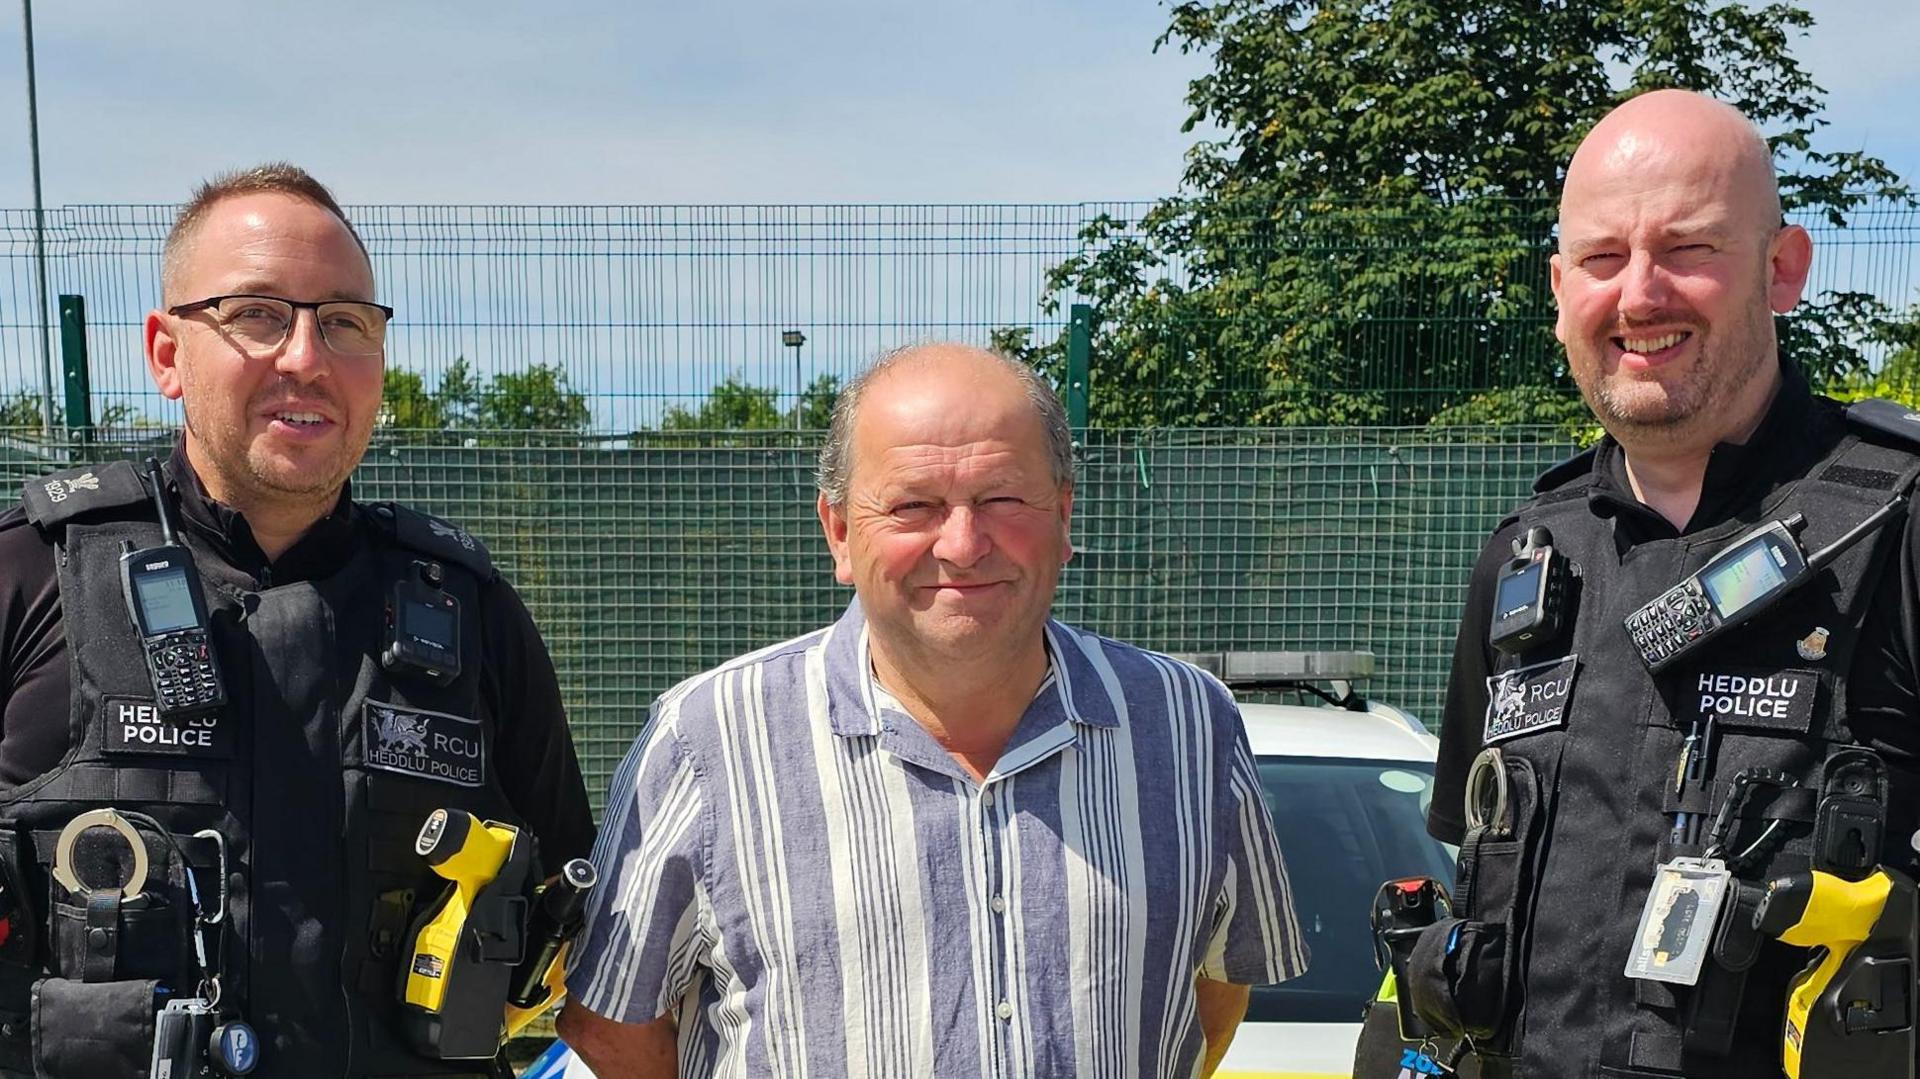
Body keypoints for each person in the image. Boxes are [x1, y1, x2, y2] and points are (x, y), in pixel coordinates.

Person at [557, 343, 1306, 1077]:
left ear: (1064, 513)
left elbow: (1211, 988)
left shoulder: (1187, 725)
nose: (962, 543)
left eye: (1002, 497)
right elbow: (610, 1021)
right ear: (841, 532)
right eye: (914, 504)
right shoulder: (707, 737)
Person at [0, 164, 594, 1077]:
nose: (307, 356)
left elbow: (573, 916)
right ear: (166, 353)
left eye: (345, 322)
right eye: (257, 314)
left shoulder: (471, 612)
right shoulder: (29, 572)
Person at [1422, 89, 1920, 1076]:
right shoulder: (1524, 558)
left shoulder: (1898, 522)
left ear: (1783, 270)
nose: (1640, 295)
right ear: (1561, 288)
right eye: (1604, 259)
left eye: (1688, 249)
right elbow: (1468, 889)